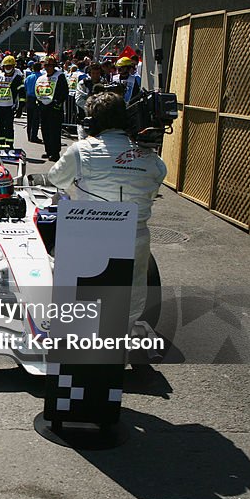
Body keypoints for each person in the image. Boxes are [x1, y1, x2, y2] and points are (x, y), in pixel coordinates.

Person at [48, 90, 167, 327]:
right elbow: (155, 185)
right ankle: (124, 334)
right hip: (135, 235)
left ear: (91, 122)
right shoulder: (151, 157)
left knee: (64, 276)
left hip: (88, 236)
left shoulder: (81, 150)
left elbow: (56, 179)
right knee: (131, 300)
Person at [35, 55, 69, 161]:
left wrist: (57, 103)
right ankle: (48, 150)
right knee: (45, 130)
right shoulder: (41, 77)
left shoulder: (60, 76)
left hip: (54, 108)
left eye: (50, 65)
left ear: (54, 66)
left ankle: (55, 153)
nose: (48, 67)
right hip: (44, 107)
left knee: (54, 131)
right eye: (46, 65)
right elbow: (38, 90)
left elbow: (64, 92)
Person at [0, 55, 23, 147]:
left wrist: (20, 107)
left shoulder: (17, 78)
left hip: (9, 106)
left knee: (9, 127)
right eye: (6, 66)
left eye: (9, 66)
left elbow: (22, 93)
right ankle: (0, 144)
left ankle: (9, 145)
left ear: (13, 66)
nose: (7, 68)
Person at [23, 60, 42, 143]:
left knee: (29, 118)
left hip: (29, 98)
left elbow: (25, 88)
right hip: (38, 98)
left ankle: (28, 136)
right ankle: (34, 136)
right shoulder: (42, 77)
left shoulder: (29, 77)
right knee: (36, 119)